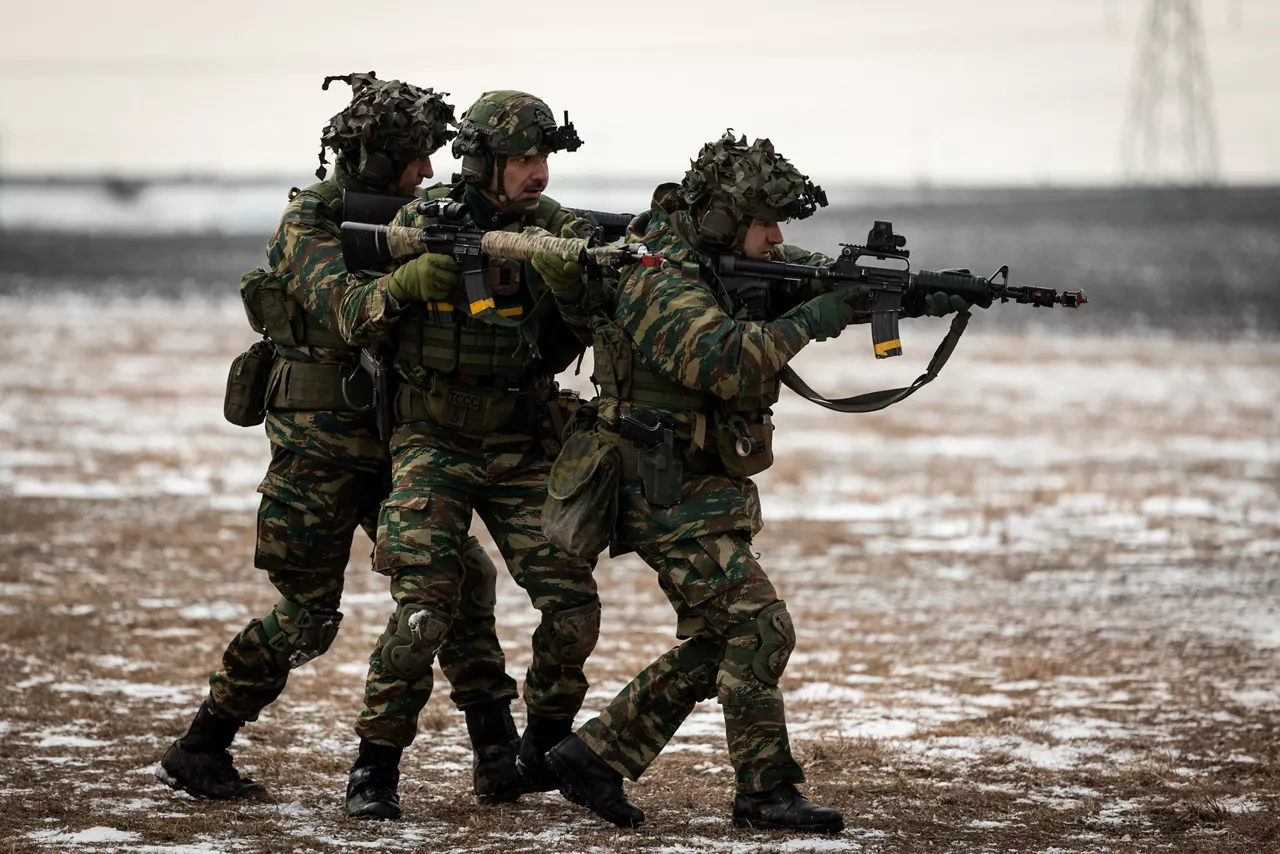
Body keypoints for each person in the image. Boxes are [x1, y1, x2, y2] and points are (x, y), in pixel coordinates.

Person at [542, 131, 971, 832]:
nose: (777, 238)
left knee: (728, 636)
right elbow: (726, 363)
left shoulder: (733, 262)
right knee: (760, 625)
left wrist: (918, 295)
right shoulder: (656, 275)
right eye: (766, 222)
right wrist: (817, 317)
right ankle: (764, 793)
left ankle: (599, 754)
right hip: (656, 481)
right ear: (719, 219)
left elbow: (825, 282)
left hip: (701, 483)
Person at [159, 73, 524, 809]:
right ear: (378, 158)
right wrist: (414, 276)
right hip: (317, 446)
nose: (429, 171)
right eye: (417, 158)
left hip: (398, 439)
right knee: (308, 614)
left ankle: (496, 751)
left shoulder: (421, 211)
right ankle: (202, 745)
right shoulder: (310, 223)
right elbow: (347, 307)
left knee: (463, 582)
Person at [333, 90, 602, 820]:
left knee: (574, 610)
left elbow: (597, 315)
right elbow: (347, 314)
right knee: (423, 611)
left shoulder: (554, 229)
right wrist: (404, 286)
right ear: (483, 160)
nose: (538, 171)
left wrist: (576, 287)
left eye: (544, 156)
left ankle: (535, 751)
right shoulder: (422, 222)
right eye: (522, 158)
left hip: (518, 442)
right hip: (433, 442)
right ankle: (374, 767)